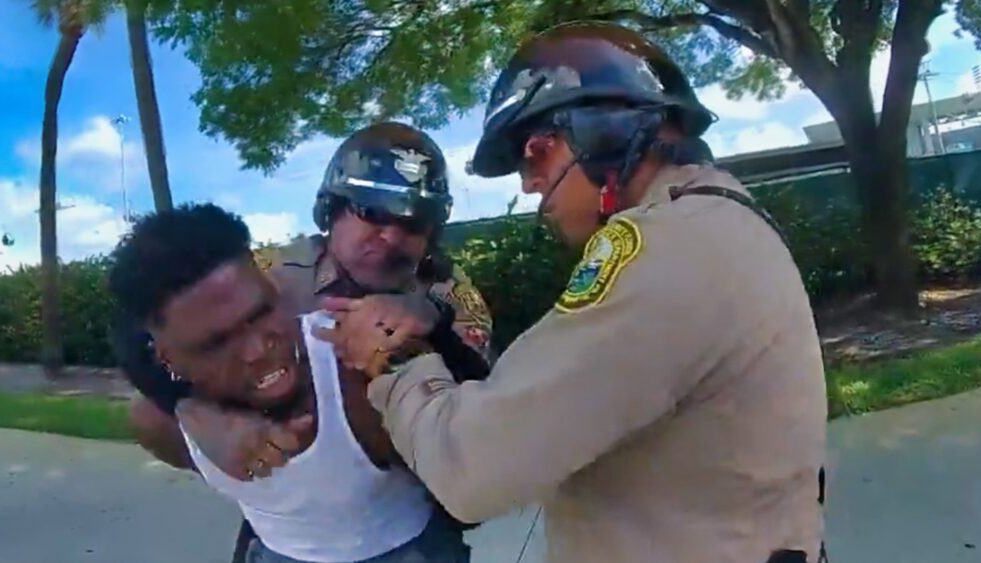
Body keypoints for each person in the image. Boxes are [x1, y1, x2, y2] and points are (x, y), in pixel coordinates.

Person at [317, 22, 828, 563]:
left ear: (605, 131)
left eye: (536, 153)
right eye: (371, 213)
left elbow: (471, 468)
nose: (528, 184)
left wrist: (394, 358)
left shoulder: (666, 252)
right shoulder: (721, 220)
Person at [109, 122, 493, 561]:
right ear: (331, 210)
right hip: (287, 509)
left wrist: (432, 324)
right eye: (371, 212)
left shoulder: (453, 299)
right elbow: (140, 324)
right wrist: (187, 406)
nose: (390, 236)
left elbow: (479, 423)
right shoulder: (274, 267)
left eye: (413, 222)